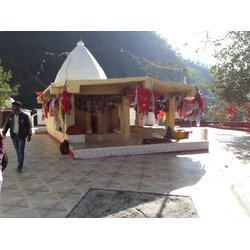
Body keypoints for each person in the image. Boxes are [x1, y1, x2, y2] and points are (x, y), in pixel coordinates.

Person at [2, 101, 32, 173]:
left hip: (21, 136)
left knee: (20, 152)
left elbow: (29, 126)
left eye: (13, 106)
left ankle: (20, 166)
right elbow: (7, 125)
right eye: (12, 107)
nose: (12, 108)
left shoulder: (25, 116)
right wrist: (4, 132)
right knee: (17, 151)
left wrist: (29, 135)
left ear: (19, 107)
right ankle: (20, 162)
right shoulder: (10, 116)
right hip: (14, 136)